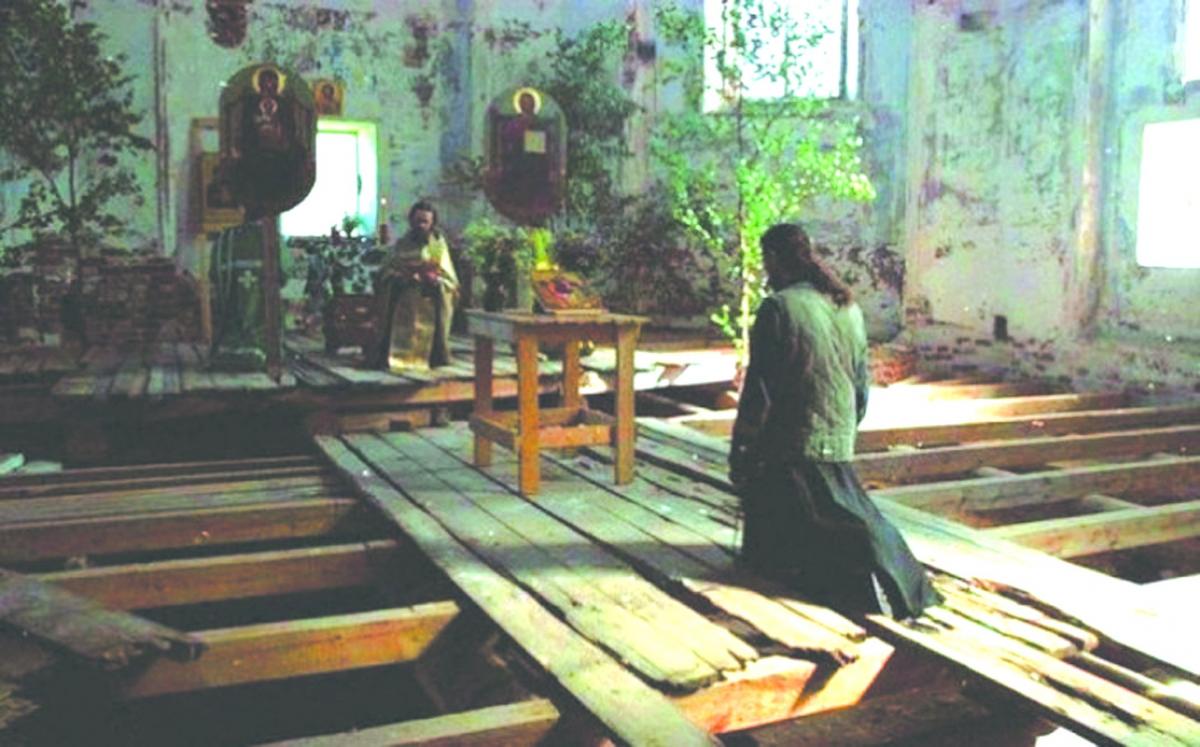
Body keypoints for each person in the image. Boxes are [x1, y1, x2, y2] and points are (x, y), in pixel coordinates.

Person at [728, 223, 939, 619]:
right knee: (842, 511)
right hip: (836, 432)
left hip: (793, 440)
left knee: (825, 519)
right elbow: (860, 383)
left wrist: (742, 447)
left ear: (774, 259)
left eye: (766, 260)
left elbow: (759, 392)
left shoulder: (778, 308)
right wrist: (845, 429)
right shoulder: (847, 307)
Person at [371, 200, 459, 368]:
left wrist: (435, 280)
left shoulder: (438, 246)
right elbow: (385, 273)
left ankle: (435, 356)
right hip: (402, 295)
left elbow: (449, 280)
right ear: (411, 221)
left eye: (425, 222)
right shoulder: (400, 245)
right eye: (418, 221)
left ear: (432, 223)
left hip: (429, 296)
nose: (421, 225)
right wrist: (400, 278)